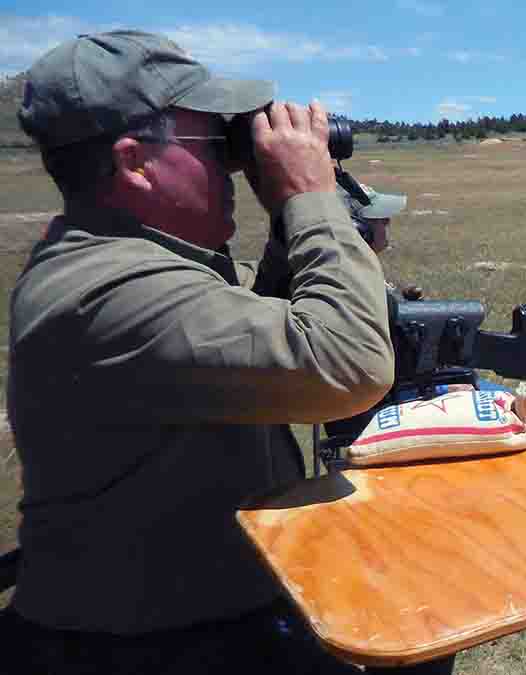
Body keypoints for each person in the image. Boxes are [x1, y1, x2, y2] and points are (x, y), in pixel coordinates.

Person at [1, 30, 454, 675]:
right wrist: (310, 200)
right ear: (134, 162)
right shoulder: (107, 290)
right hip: (144, 649)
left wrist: (295, 230)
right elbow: (346, 367)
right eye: (216, 146)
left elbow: (251, 337)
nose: (235, 165)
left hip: (190, 617)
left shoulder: (124, 256)